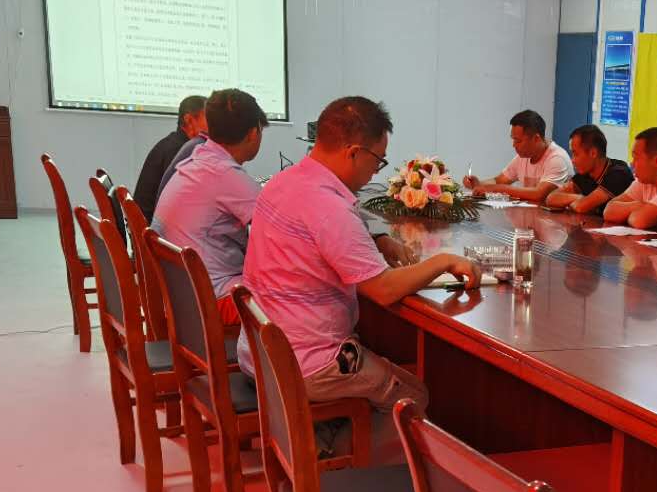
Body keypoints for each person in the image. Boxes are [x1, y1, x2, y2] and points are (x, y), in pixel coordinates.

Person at [239, 96, 480, 415]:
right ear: (354, 152)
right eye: (378, 161)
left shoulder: (283, 182)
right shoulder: (329, 208)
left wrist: (378, 239)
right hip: (306, 364)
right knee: (414, 397)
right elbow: (383, 289)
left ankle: (333, 436)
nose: (375, 172)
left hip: (259, 350)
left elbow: (318, 237)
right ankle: (334, 444)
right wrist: (443, 261)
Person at [152, 88, 267, 325]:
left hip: (180, 296)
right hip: (211, 302)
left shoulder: (196, 160)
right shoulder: (225, 174)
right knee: (303, 295)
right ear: (253, 133)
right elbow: (283, 228)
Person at [463, 109, 571, 204]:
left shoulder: (556, 158)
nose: (513, 145)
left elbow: (538, 194)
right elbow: (499, 180)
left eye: (518, 141)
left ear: (536, 139)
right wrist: (478, 184)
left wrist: (495, 189)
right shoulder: (523, 157)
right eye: (513, 139)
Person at [133, 95, 206, 217]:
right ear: (189, 120)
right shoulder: (179, 151)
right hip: (152, 225)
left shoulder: (173, 143)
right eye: (209, 119)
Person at [545, 124, 633, 214]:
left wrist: (578, 201)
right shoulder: (585, 174)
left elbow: (581, 207)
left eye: (575, 154)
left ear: (593, 153)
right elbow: (551, 198)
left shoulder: (619, 172)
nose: (572, 160)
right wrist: (579, 198)